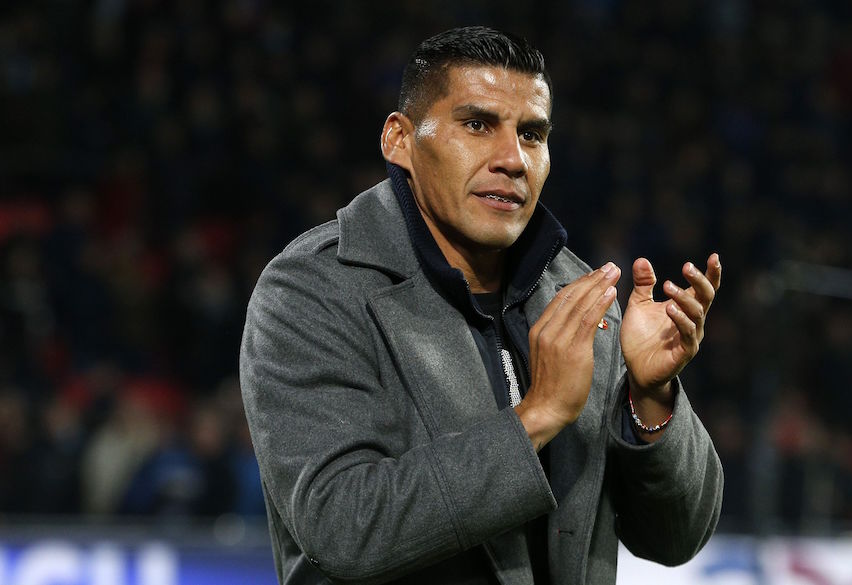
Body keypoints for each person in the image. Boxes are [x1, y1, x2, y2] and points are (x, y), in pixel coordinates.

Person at [240, 26, 723, 585]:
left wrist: (651, 397)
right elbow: (344, 527)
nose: (512, 159)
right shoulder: (313, 290)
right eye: (477, 125)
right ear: (400, 140)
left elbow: (675, 539)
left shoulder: (578, 295)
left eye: (532, 134)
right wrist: (537, 416)